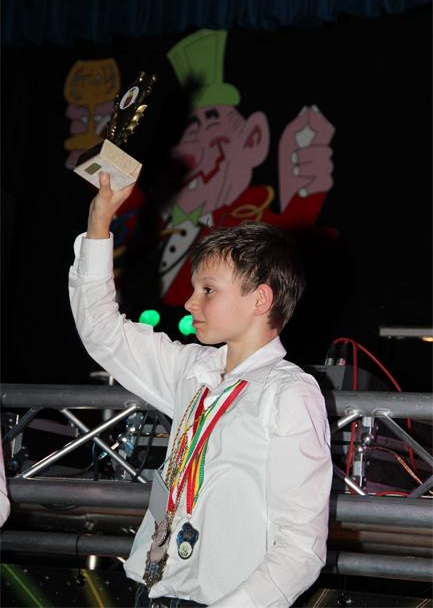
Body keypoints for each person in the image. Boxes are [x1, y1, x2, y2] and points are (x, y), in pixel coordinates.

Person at [69, 172, 332, 608]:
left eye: (208, 290)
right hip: (151, 590)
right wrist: (99, 222)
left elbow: (301, 548)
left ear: (260, 300)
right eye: (194, 289)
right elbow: (102, 331)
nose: (191, 303)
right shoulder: (193, 370)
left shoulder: (289, 394)